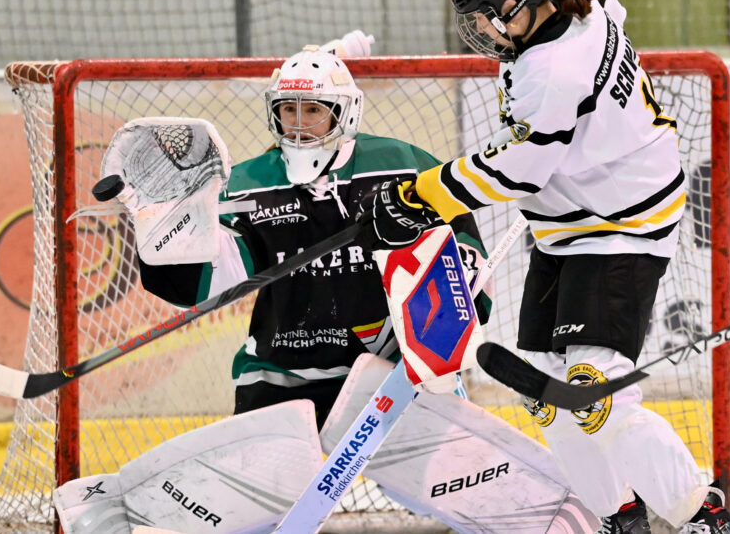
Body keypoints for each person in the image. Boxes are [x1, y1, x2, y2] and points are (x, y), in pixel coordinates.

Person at [367, 0, 730, 533]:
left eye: (499, 11)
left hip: (621, 223)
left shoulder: (552, 70)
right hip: (566, 224)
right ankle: (621, 518)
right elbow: (611, 5)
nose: (489, 27)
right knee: (545, 393)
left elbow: (521, 171)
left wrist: (421, 194)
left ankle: (700, 513)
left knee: (595, 398)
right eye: (481, 15)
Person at [136, 45, 489, 429]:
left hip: (393, 371)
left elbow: (463, 256)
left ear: (343, 113)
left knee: (439, 482)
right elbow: (204, 284)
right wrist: (159, 224)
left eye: (313, 109)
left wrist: (446, 330)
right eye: (290, 109)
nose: (299, 123)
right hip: (280, 376)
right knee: (265, 489)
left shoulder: (399, 164)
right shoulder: (248, 183)